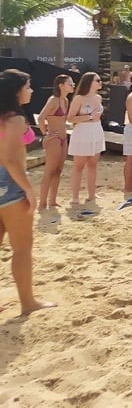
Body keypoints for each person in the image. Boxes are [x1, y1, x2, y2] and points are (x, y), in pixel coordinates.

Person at [0, 69, 56, 316]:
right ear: (16, 91)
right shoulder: (15, 120)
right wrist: (28, 190)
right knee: (22, 248)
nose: (31, 91)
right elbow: (11, 160)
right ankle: (28, 302)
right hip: (9, 183)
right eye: (28, 86)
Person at [36, 74, 74, 209]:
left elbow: (62, 121)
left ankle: (52, 200)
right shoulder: (53, 100)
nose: (73, 85)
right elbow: (41, 118)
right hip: (54, 138)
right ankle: (42, 203)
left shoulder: (65, 101)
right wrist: (45, 134)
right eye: (70, 83)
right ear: (61, 85)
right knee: (49, 171)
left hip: (63, 138)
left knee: (58, 170)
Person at [67, 72, 105, 205]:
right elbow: (70, 118)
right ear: (89, 82)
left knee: (93, 164)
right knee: (78, 166)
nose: (100, 82)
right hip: (82, 132)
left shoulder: (99, 98)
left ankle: (91, 194)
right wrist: (89, 117)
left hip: (96, 131)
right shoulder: (79, 98)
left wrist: (95, 118)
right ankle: (75, 197)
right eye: (97, 80)